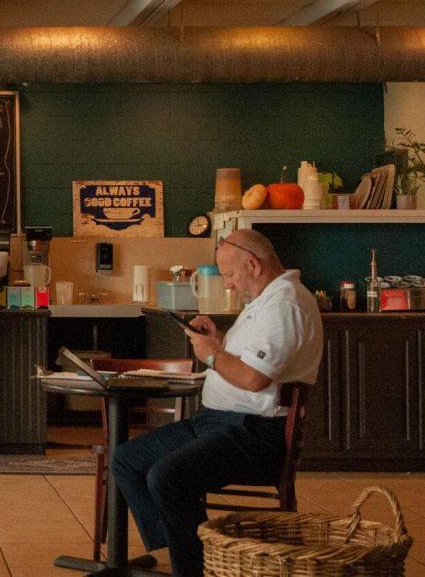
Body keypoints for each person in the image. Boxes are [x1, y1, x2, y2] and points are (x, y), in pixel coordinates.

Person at [111, 229, 323, 577]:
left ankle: (193, 567)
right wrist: (218, 342)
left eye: (228, 274)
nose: (227, 285)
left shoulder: (286, 304)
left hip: (255, 435)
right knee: (128, 460)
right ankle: (177, 551)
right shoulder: (266, 301)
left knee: (168, 476)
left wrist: (210, 356)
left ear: (253, 264)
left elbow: (255, 379)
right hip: (219, 423)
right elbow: (249, 362)